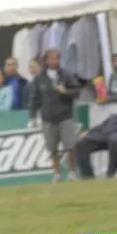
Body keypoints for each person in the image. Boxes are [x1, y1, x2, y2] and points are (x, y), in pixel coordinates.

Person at [27, 48, 81, 183]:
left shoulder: (66, 75)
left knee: (70, 146)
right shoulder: (39, 78)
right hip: (48, 118)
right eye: (51, 58)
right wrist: (33, 116)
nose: (53, 61)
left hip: (65, 116)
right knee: (52, 148)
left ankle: (72, 172)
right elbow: (34, 98)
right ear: (45, 60)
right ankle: (56, 173)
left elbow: (76, 92)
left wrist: (65, 92)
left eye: (56, 58)